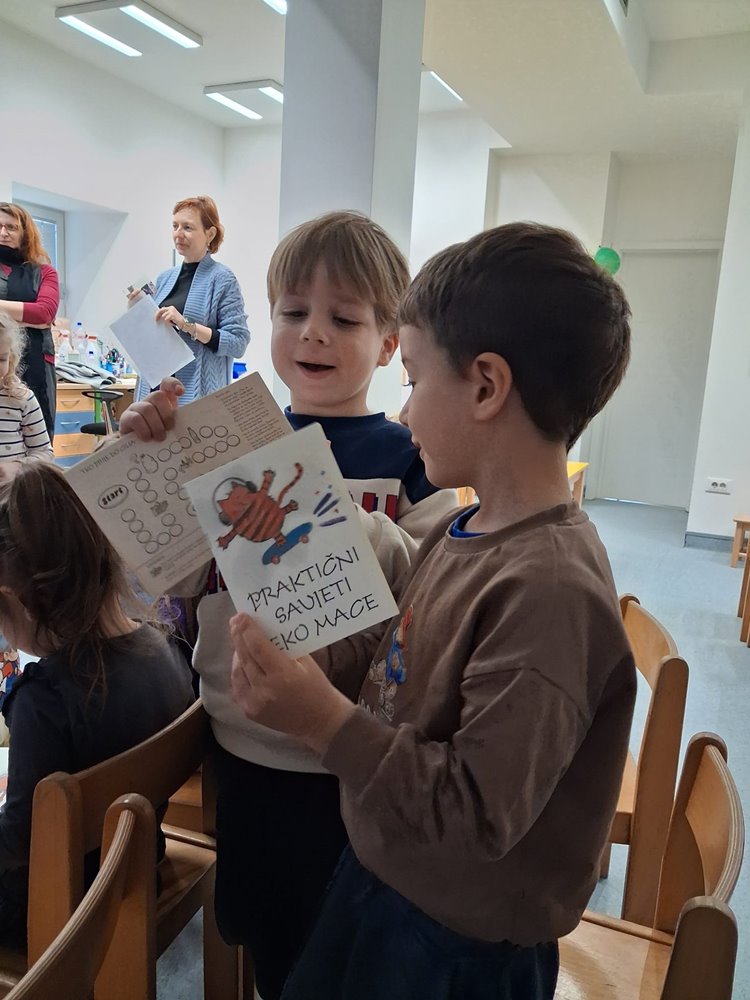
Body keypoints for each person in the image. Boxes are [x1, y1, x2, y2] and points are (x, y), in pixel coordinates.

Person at [228, 222, 638, 1000]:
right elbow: (402, 652)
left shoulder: (549, 592)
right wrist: (319, 665)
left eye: (413, 380)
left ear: (485, 387)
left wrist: (323, 722)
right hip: (387, 877)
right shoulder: (468, 528)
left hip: (457, 947)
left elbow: (475, 816)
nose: (405, 412)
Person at [120, 210, 457, 1000]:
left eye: (345, 318)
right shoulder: (227, 444)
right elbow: (168, 580)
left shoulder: (412, 458)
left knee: (343, 953)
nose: (313, 333)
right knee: (264, 935)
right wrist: (144, 460)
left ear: (389, 345)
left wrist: (344, 521)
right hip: (240, 744)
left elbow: (435, 596)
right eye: (293, 312)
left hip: (352, 754)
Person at [0, 461, 195, 946]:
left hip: (61, 908)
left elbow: (19, 846)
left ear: (17, 601)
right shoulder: (162, 647)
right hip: (136, 863)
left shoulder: (45, 702)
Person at [130, 195, 250, 405]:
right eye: (175, 226)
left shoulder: (222, 279)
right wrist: (138, 310)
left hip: (196, 398)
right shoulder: (164, 278)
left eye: (187, 227)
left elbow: (238, 343)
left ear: (210, 234)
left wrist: (186, 325)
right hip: (154, 393)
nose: (178, 234)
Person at [0, 312, 53, 724]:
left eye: (2, 359)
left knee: (11, 604)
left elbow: (44, 455)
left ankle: (8, 697)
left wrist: (15, 469)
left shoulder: (21, 398)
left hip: (11, 518)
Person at [0, 204, 59, 441]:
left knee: (38, 437)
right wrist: (25, 314)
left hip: (36, 366)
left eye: (11, 227)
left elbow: (44, 313)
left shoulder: (45, 272)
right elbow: (35, 316)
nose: (3, 233)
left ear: (25, 233)